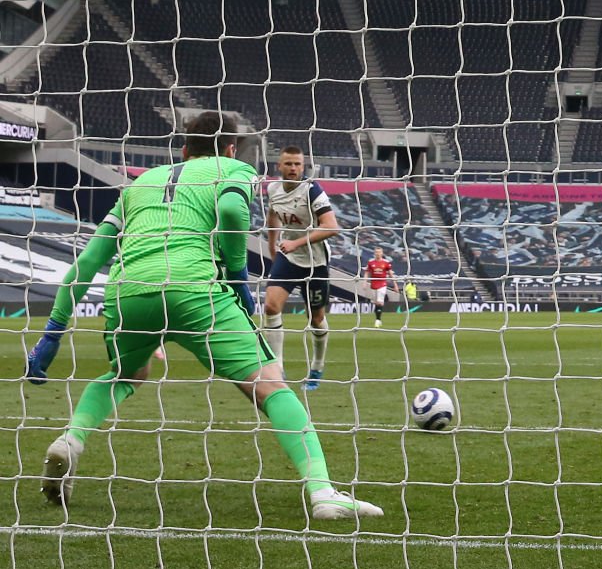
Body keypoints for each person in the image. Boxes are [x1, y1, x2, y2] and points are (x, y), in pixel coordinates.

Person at [25, 112, 381, 520]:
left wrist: (53, 331)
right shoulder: (233, 168)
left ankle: (70, 441)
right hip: (195, 289)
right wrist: (237, 278)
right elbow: (231, 213)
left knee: (127, 374)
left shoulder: (142, 182)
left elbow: (88, 260)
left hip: (129, 293)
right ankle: (322, 492)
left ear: (182, 150)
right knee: (269, 384)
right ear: (230, 148)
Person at [263, 146, 341, 391]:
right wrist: (273, 245)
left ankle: (317, 367)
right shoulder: (272, 189)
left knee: (316, 319)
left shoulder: (312, 191)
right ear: (279, 165)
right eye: (289, 164)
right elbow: (273, 214)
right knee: (271, 305)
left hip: (315, 262)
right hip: (289, 258)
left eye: (297, 164)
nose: (293, 168)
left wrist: (295, 242)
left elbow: (331, 227)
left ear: (303, 166)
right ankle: (277, 368)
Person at [365, 247, 399, 328]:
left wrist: (395, 285)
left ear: (382, 253)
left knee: (380, 302)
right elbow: (367, 272)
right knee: (376, 303)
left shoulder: (386, 263)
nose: (378, 253)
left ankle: (377, 320)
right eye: (376, 252)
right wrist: (365, 282)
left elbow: (391, 274)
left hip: (382, 284)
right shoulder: (371, 262)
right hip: (373, 284)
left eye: (379, 252)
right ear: (374, 253)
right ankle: (378, 319)